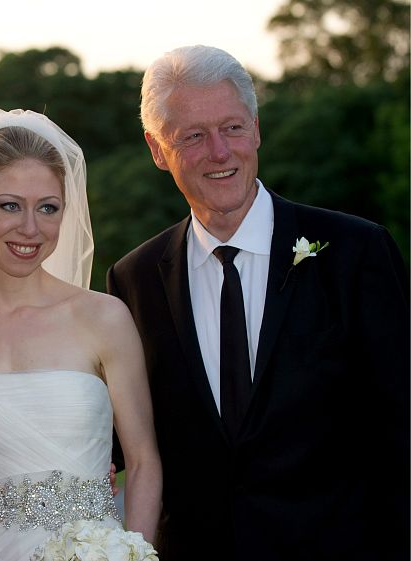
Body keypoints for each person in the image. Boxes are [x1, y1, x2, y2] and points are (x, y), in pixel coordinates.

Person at [107, 45, 410, 560]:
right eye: (193, 136)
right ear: (157, 150)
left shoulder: (356, 252)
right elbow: (122, 445)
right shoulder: (133, 279)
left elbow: (400, 427)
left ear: (257, 129)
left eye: (232, 127)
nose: (220, 152)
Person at [0, 108, 162, 561]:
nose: (30, 228)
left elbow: (145, 461)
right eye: (9, 205)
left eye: (47, 208)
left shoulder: (105, 317)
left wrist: (135, 552)